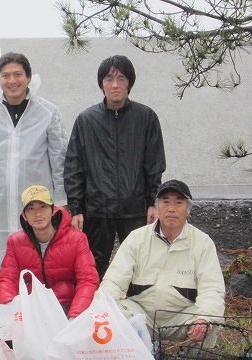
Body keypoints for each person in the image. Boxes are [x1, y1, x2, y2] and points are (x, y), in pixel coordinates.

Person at [64, 55, 166, 279]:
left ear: (130, 82)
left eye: (121, 78)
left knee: (140, 264)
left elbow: (154, 165)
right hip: (97, 209)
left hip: (135, 208)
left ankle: (136, 311)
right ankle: (94, 310)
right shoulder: (86, 120)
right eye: (109, 79)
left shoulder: (145, 118)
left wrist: (153, 203)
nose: (115, 85)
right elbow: (74, 167)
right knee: (94, 266)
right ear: (101, 83)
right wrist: (76, 207)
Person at [0, 52, 68, 261]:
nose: (12, 81)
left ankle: (37, 292)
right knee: (1, 253)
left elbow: (60, 160)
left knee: (39, 252)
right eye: (6, 75)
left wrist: (62, 201)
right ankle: (4, 291)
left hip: (37, 201)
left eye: (18, 74)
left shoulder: (48, 113)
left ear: (28, 77)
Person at [100, 180, 225, 343]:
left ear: (188, 210)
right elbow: (114, 281)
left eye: (179, 202)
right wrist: (102, 308)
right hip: (142, 316)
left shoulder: (203, 243)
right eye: (165, 202)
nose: (171, 208)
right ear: (157, 207)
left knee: (210, 322)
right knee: (112, 311)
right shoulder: (137, 238)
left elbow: (212, 288)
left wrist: (204, 318)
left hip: (181, 318)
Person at [0, 185, 99, 319]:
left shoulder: (77, 239)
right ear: (24, 216)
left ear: (53, 210)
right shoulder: (15, 242)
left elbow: (88, 280)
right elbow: (6, 279)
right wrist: (11, 306)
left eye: (43, 206)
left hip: (66, 306)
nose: (37, 213)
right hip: (30, 307)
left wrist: (75, 316)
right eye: (31, 208)